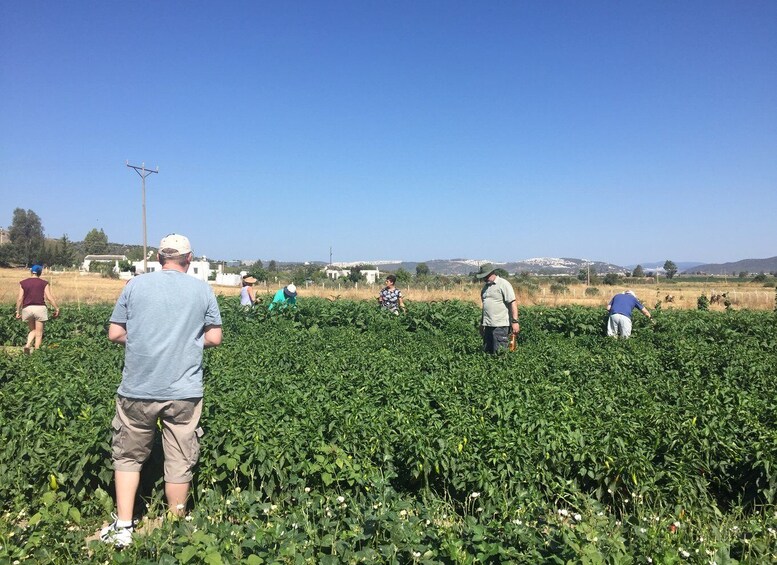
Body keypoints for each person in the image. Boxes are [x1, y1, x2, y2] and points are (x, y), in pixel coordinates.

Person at [100, 234, 222, 547]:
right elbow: (215, 338)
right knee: (180, 457)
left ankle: (124, 526)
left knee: (128, 455)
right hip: (184, 389)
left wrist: (143, 341)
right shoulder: (202, 289)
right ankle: (176, 528)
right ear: (189, 258)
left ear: (158, 257)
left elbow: (115, 333)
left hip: (138, 387)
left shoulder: (135, 286)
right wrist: (187, 342)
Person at [476, 263, 519, 353]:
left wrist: (515, 322)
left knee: (500, 353)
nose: (484, 279)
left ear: (491, 273)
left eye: (485, 276)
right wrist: (481, 324)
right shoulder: (485, 288)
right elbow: (485, 308)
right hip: (487, 326)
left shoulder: (503, 284)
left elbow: (512, 303)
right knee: (487, 352)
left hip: (500, 326)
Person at [16, 264, 60, 353]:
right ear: (40, 273)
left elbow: (20, 298)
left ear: (31, 272)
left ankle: (28, 344)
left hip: (27, 308)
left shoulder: (23, 283)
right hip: (40, 308)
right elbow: (49, 297)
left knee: (33, 330)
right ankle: (37, 354)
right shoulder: (44, 283)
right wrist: (57, 308)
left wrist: (17, 311)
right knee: (39, 333)